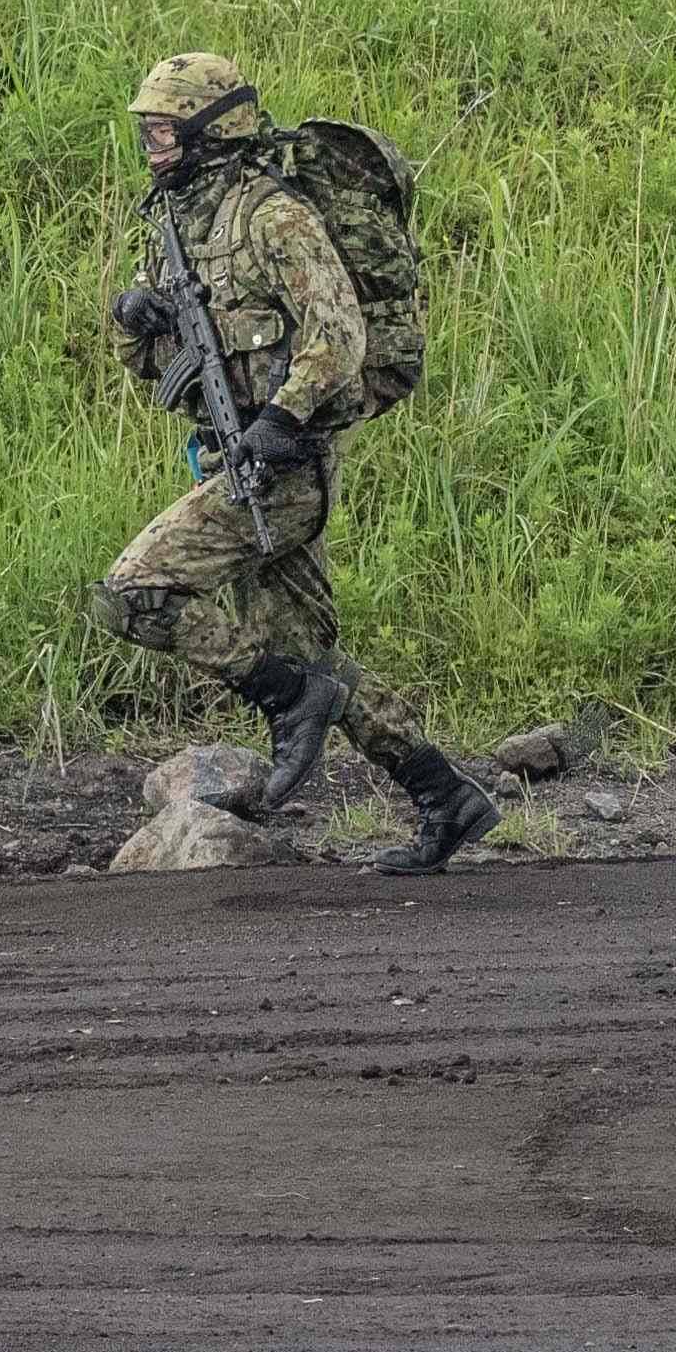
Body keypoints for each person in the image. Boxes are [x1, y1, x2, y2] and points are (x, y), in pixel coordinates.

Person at [98, 52, 491, 870]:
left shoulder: (274, 217)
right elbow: (156, 364)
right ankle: (444, 795)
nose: (152, 145)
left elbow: (338, 335)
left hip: (283, 467)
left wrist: (282, 418)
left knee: (133, 592)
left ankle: (284, 698)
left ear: (212, 131)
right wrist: (138, 322)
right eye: (147, 130)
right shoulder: (180, 224)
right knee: (314, 658)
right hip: (234, 456)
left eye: (165, 129)